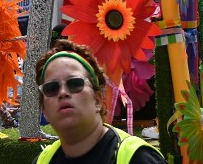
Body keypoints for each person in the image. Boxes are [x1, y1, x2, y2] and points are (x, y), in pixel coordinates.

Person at [33, 39, 166, 164]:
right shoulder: (43, 160)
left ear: (98, 99)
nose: (62, 93)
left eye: (74, 83)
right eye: (51, 88)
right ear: (44, 110)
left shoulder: (138, 158)